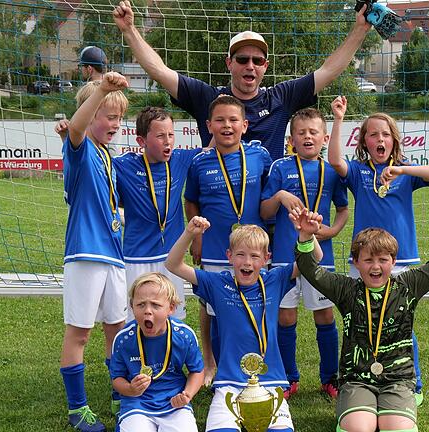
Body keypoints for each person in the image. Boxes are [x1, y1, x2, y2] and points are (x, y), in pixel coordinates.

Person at [113, 0, 371, 160]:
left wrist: (360, 29)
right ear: (229, 63)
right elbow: (160, 71)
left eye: (257, 61)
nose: (250, 66)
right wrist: (130, 30)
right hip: (220, 208)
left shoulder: (280, 97)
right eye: (242, 59)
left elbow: (328, 71)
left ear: (265, 66)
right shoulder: (209, 98)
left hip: (267, 211)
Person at [293, 201, 429, 432]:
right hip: (357, 378)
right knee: (359, 428)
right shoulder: (346, 290)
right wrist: (305, 237)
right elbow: (311, 271)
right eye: (368, 260)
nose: (376, 266)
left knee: (397, 429)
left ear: (393, 261)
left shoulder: (408, 287)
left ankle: (398, 406)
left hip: (397, 378)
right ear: (356, 262)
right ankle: (356, 409)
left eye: (383, 260)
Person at [327, 95, 429, 405]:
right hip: (364, 260)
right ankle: (363, 379)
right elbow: (335, 162)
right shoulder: (358, 171)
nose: (379, 138)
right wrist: (339, 119)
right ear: (364, 141)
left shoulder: (405, 171)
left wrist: (403, 171)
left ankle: (413, 382)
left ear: (393, 140)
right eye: (372, 133)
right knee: (362, 324)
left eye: (385, 133)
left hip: (402, 258)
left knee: (402, 324)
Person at [165, 213, 323, 432]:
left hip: (270, 382)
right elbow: (172, 264)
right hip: (229, 384)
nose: (247, 262)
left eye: (254, 256)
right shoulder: (218, 283)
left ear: (266, 258)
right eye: (240, 255)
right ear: (229, 256)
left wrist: (307, 235)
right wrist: (189, 234)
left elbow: (314, 259)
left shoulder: (274, 280)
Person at [260, 108, 349, 399]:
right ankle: (287, 377)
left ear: (325, 137)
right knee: (285, 317)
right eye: (301, 132)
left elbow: (343, 208)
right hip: (285, 257)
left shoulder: (333, 171)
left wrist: (333, 231)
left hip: (322, 256)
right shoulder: (280, 168)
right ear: (291, 139)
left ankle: (330, 377)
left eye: (313, 132)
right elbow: (264, 211)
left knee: (324, 314)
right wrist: (280, 196)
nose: (307, 137)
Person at [184, 95, 272, 386]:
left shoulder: (260, 156)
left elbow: (268, 198)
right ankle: (214, 365)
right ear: (209, 125)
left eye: (233, 120)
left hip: (251, 252)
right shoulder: (200, 163)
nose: (227, 125)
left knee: (253, 310)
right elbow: (191, 201)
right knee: (214, 310)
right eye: (220, 120)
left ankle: (253, 367)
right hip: (214, 250)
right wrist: (196, 240)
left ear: (245, 125)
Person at [60, 72, 129, 432]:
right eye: (109, 116)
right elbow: (75, 128)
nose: (115, 124)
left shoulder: (107, 155)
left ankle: (121, 398)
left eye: (119, 118)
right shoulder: (81, 147)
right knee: (80, 333)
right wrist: (102, 88)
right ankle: (78, 410)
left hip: (114, 255)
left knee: (116, 330)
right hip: (86, 254)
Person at [113, 107, 202, 322]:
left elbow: (215, 148)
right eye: (160, 136)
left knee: (173, 317)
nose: (168, 141)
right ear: (141, 141)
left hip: (172, 257)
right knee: (137, 319)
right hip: (136, 257)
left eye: (171, 135)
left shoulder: (181, 159)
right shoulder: (123, 165)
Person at [110, 272, 204, 432]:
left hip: (174, 402)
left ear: (171, 308)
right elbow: (116, 378)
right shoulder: (124, 339)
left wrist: (187, 395)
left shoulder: (183, 336)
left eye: (155, 305)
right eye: (141, 305)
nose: (148, 311)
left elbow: (197, 371)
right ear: (132, 306)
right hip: (137, 403)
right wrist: (130, 389)